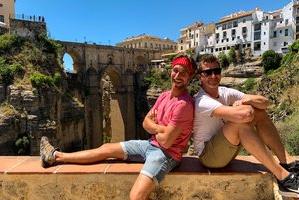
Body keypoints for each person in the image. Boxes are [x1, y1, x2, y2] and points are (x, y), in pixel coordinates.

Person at [40, 54, 195, 200]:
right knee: (107, 148)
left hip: (166, 155)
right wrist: (161, 129)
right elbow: (145, 122)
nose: (178, 76)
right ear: (171, 72)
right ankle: (55, 156)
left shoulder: (184, 105)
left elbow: (167, 142)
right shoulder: (164, 96)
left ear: (190, 77)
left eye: (184, 73)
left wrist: (154, 127)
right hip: (150, 145)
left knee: (136, 197)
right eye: (175, 70)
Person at [193, 55, 299, 198]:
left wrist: (248, 99)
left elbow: (265, 103)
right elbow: (246, 115)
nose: (213, 75)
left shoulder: (224, 92)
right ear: (200, 77)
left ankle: (287, 162)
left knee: (259, 113)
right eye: (208, 72)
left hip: (227, 149)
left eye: (216, 71)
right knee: (240, 124)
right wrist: (245, 105)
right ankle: (284, 179)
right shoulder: (201, 101)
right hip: (209, 157)